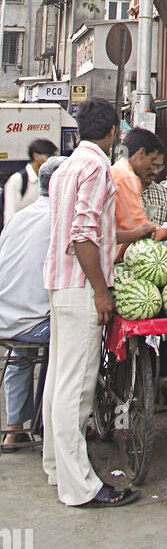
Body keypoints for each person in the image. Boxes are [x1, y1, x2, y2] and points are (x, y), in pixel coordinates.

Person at [42, 99, 142, 507]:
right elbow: (83, 236)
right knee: (77, 387)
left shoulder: (65, 168)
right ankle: (79, 486)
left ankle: (55, 467)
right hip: (82, 288)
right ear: (114, 132)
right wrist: (102, 291)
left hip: (59, 285)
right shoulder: (98, 169)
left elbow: (84, 231)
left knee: (57, 383)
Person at [0, 154, 64, 451]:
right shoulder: (59, 221)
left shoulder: (18, 218)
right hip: (36, 324)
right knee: (74, 336)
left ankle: (15, 428)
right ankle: (50, 421)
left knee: (21, 356)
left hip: (5, 319)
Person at [112, 128, 167, 259]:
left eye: (159, 167)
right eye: (152, 163)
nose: (155, 171)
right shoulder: (126, 177)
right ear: (141, 153)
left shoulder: (116, 171)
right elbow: (142, 229)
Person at [2, 138, 58, 227]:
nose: (52, 161)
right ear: (36, 156)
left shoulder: (51, 179)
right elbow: (10, 216)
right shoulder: (17, 180)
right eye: (48, 157)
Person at [141, 149, 167, 225]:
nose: (155, 171)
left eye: (159, 167)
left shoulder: (163, 193)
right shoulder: (121, 191)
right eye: (152, 165)